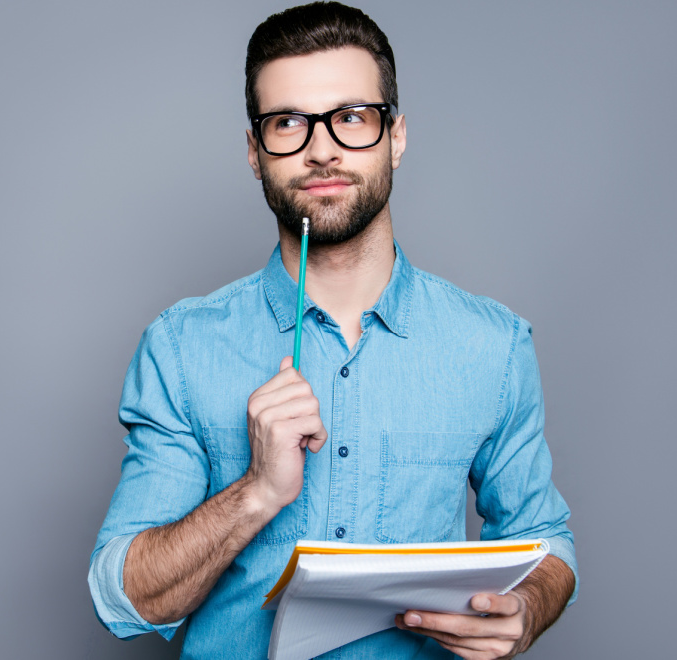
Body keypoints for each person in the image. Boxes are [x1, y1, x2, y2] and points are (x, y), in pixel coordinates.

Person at [89, 3, 577, 658]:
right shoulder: (181, 348)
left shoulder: (493, 346)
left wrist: (524, 610)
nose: (322, 149)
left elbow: (545, 539)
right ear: (256, 153)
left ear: (396, 137)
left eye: (351, 118)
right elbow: (123, 600)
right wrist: (257, 493)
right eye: (288, 123)